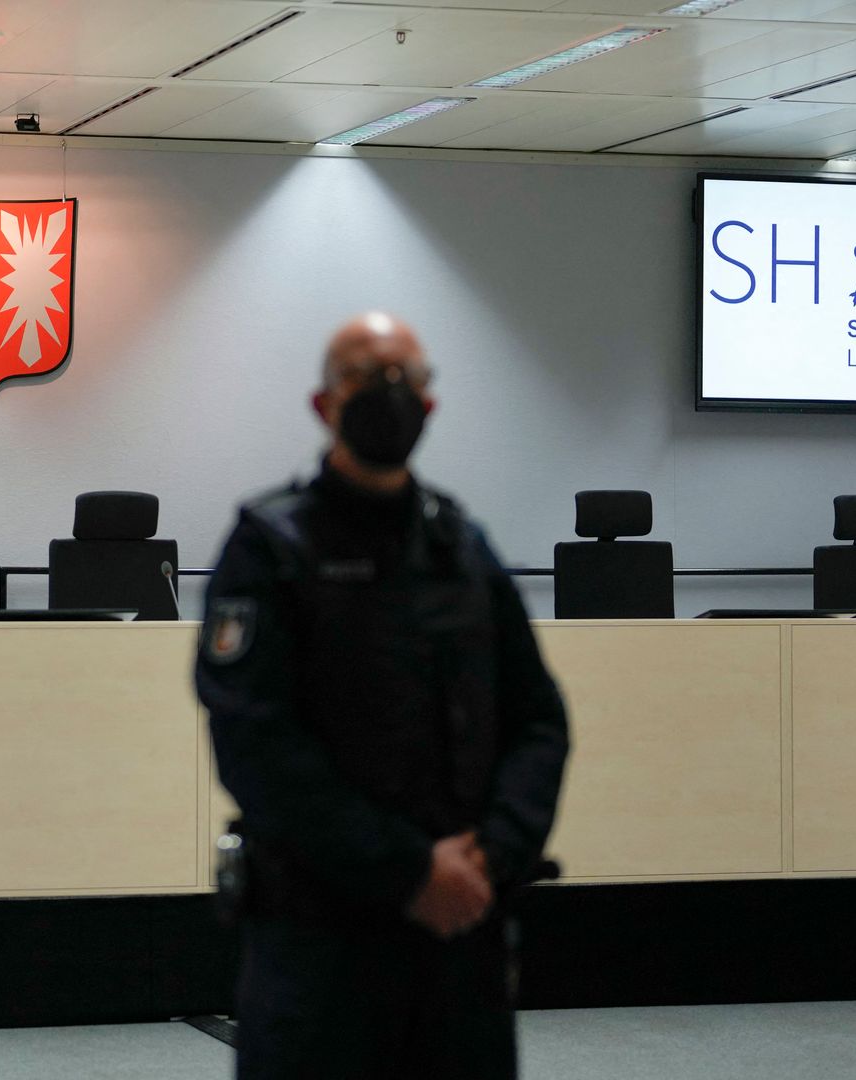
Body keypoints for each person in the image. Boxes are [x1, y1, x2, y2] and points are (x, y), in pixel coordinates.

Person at [195, 313, 571, 1079]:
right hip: (322, 939)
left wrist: (492, 856)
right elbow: (256, 744)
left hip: (461, 934)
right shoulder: (270, 547)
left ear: (430, 405)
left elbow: (538, 719)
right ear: (323, 403)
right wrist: (408, 872)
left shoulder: (462, 548)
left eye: (407, 379)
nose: (390, 394)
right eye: (366, 377)